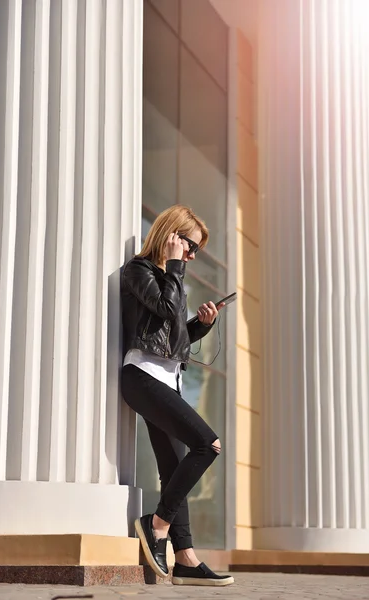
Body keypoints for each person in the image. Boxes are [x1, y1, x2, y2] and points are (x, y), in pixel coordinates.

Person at [121, 205, 234, 587]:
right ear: (172, 234)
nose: (191, 255)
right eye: (190, 246)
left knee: (174, 470)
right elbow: (164, 307)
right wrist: (174, 267)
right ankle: (157, 525)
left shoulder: (170, 277)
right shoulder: (140, 270)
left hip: (166, 380)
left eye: (196, 251)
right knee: (208, 444)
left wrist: (200, 326)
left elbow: (173, 335)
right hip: (142, 376)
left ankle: (185, 559)